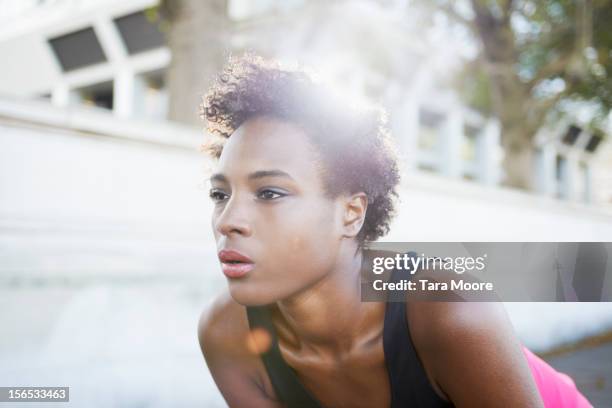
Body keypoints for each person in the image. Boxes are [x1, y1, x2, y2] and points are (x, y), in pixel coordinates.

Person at [197, 54, 592, 407]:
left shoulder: (452, 311)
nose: (229, 220)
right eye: (220, 193)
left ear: (351, 213)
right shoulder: (226, 333)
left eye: (269, 192)